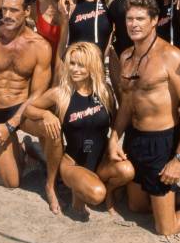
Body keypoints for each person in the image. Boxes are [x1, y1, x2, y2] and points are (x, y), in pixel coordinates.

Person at [108, 0, 180, 235]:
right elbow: (126, 105)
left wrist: (179, 159)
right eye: (129, 19)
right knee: (137, 206)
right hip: (135, 139)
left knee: (165, 229)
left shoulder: (171, 56)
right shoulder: (126, 56)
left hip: (162, 142)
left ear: (154, 21)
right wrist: (113, 138)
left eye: (140, 18)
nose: (134, 24)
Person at [0, 0, 62, 214]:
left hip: (23, 109)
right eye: (4, 9)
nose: (7, 15)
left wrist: (13, 123)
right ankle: (23, 151)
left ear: (26, 11)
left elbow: (37, 93)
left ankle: (50, 180)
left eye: (14, 10)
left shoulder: (39, 46)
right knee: (12, 182)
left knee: (52, 129)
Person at [25, 42, 134, 217]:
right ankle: (70, 190)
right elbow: (29, 109)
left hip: (100, 160)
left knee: (127, 171)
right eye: (72, 64)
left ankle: (109, 193)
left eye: (81, 65)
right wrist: (47, 115)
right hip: (73, 163)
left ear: (92, 67)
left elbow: (115, 123)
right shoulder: (60, 93)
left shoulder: (105, 92)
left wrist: (114, 144)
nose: (75, 69)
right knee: (96, 193)